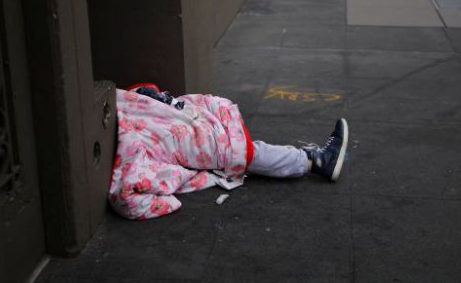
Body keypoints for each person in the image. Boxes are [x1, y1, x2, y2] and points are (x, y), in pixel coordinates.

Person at [109, 84, 349, 220]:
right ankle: (317, 161)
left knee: (243, 149)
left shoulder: (119, 115)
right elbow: (127, 197)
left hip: (179, 131)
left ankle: (310, 159)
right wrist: (168, 201)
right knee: (242, 153)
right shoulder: (127, 142)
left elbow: (145, 95)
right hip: (186, 142)